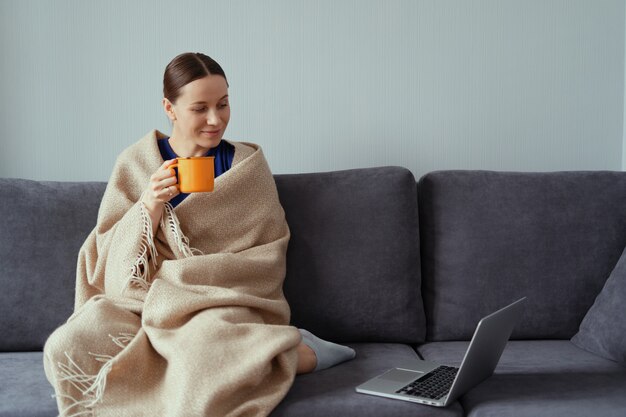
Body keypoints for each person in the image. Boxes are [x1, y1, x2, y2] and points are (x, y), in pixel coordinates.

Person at [43, 52, 354, 417]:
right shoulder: (136, 163)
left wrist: (184, 279)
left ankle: (299, 353)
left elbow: (266, 255)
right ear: (169, 108)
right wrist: (149, 205)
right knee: (69, 344)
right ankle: (272, 352)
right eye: (200, 108)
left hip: (216, 301)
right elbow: (105, 258)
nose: (215, 119)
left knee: (201, 357)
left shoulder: (247, 169)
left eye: (223, 105)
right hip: (141, 303)